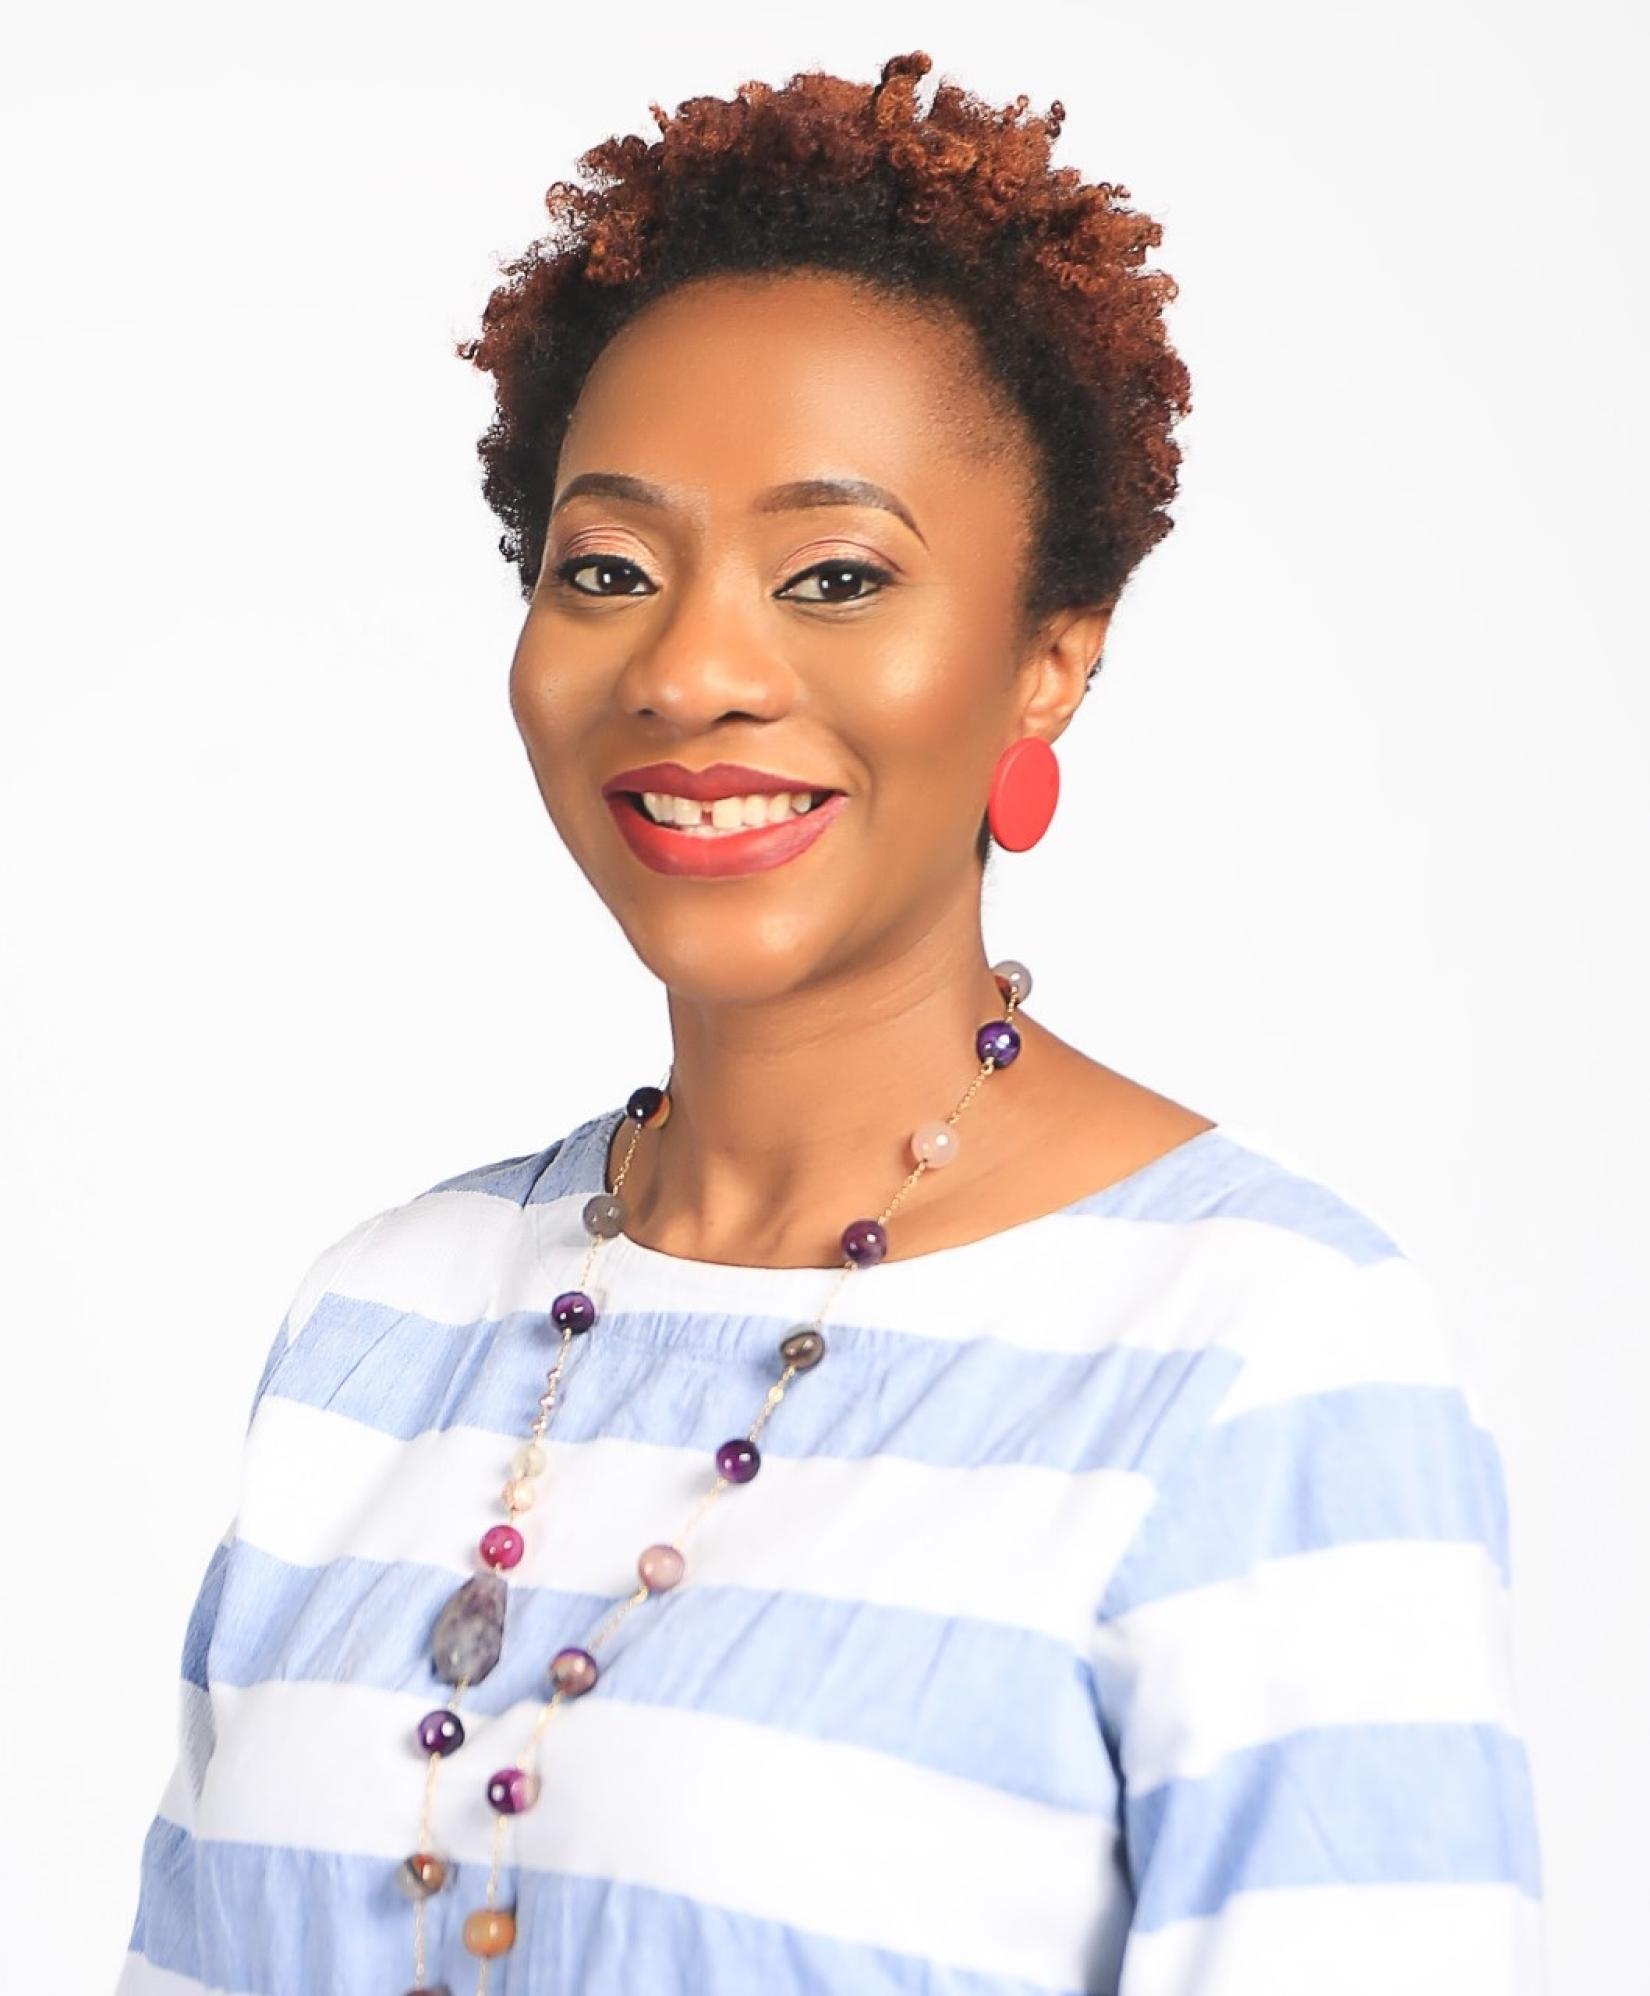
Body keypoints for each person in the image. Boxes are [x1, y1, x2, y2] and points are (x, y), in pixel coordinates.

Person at [116, 48, 1545, 1996]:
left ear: (1049, 659)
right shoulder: (379, 1324)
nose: (693, 667)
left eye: (836, 575)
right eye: (607, 568)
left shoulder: (1256, 1352)